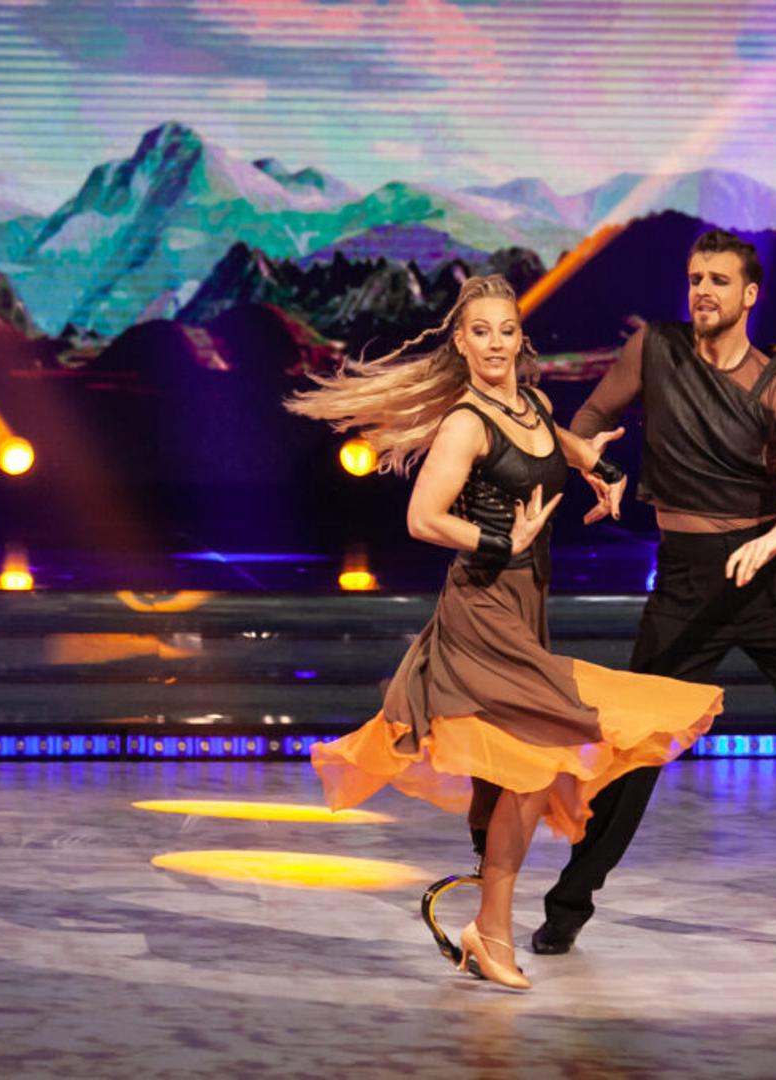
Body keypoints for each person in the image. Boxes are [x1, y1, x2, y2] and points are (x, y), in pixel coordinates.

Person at [287, 274, 723, 990]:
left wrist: (602, 466)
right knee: (537, 757)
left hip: (525, 607)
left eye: (507, 331)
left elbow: (554, 442)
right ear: (461, 343)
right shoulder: (464, 423)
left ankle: (487, 927)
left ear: (522, 340)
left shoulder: (532, 404)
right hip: (481, 611)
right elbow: (422, 518)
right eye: (481, 332)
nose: (495, 344)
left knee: (516, 772)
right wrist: (500, 540)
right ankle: (491, 929)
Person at [531, 229, 776, 958]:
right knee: (636, 749)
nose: (703, 291)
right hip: (685, 580)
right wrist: (594, 467)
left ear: (750, 294)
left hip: (769, 577)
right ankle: (569, 904)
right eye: (694, 279)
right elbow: (585, 423)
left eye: (718, 280)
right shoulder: (654, 350)